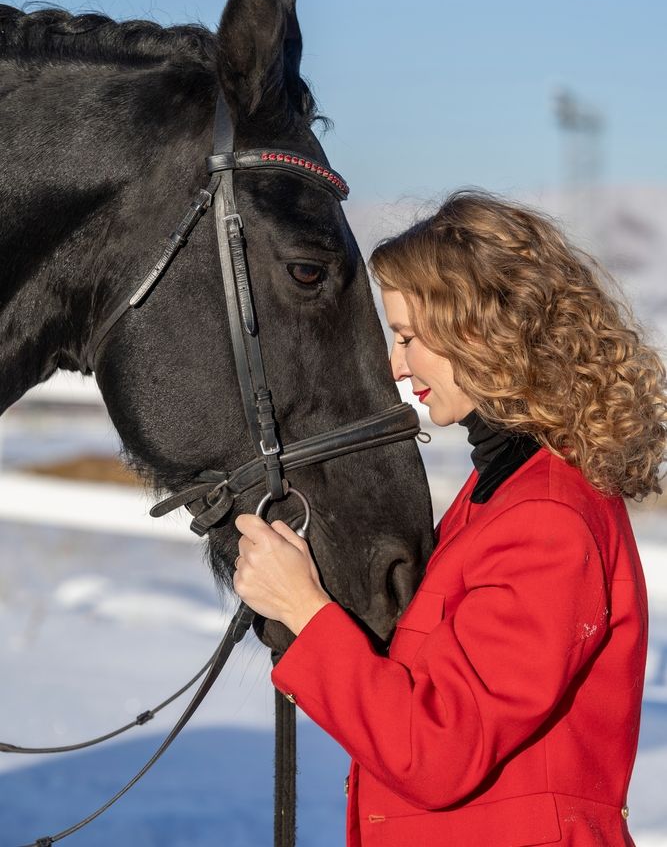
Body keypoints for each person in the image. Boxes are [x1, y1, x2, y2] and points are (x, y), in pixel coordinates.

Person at [233, 189, 666, 846]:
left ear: (480, 332)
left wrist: (303, 608)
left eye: (408, 337)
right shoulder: (497, 490)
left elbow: (436, 751)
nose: (395, 363)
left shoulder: (544, 518)